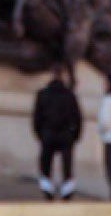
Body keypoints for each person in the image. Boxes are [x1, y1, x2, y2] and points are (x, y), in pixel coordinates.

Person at [31, 65, 82, 200]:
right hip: (66, 134)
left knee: (46, 165)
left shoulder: (42, 94)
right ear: (63, 76)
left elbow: (37, 117)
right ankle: (67, 191)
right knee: (67, 166)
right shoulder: (70, 95)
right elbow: (77, 117)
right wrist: (75, 136)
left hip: (48, 133)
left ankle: (48, 190)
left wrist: (40, 134)